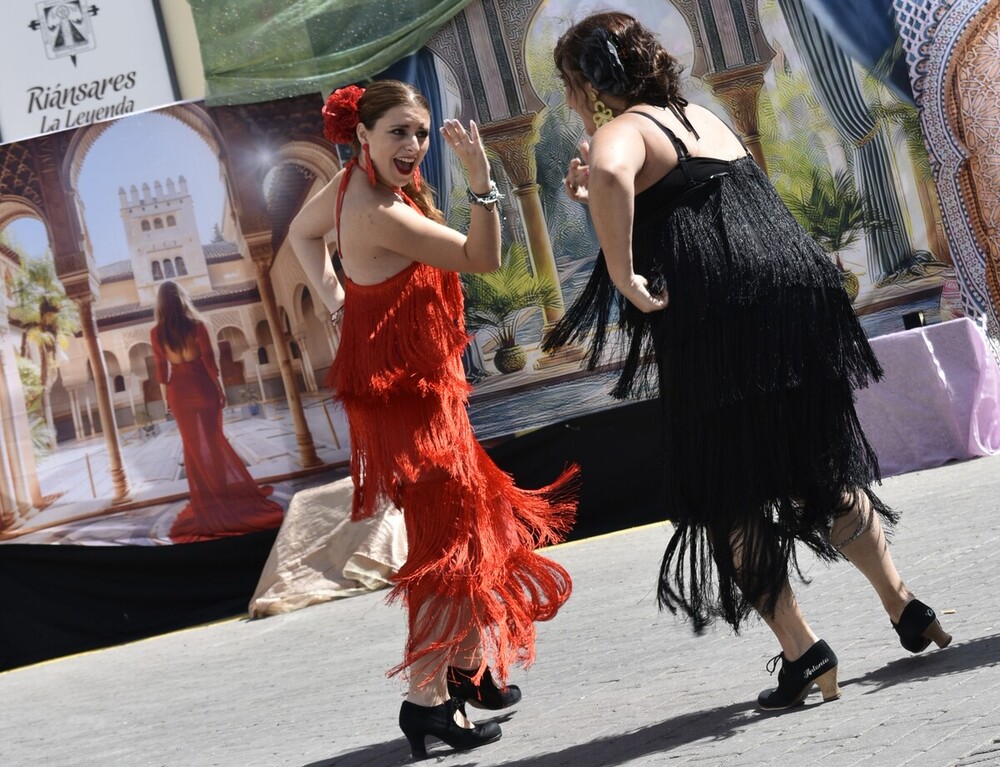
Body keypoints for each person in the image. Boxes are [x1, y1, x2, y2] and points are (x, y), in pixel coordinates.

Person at [545, 11, 951, 710]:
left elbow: (614, 172)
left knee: (728, 489)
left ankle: (804, 651)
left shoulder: (620, 129)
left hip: (718, 313)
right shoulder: (700, 116)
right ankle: (905, 604)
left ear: (586, 84)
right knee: (818, 468)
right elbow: (682, 200)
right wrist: (599, 203)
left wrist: (621, 273)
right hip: (789, 294)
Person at [288, 80, 577, 757]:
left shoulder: (342, 185)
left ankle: (468, 670)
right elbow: (482, 257)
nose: (413, 145)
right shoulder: (379, 211)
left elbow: (304, 237)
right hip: (414, 409)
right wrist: (482, 184)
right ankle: (425, 703)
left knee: (467, 531)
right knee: (447, 553)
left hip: (421, 394)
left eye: (419, 131)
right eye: (398, 132)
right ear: (362, 134)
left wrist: (339, 304)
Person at [151, 280, 285, 543]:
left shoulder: (157, 333)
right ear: (181, 299)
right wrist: (219, 389)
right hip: (201, 386)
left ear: (161, 304)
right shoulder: (196, 326)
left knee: (192, 450)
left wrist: (168, 398)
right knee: (214, 443)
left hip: (178, 391)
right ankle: (222, 497)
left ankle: (206, 504)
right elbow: (210, 363)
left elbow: (161, 372)